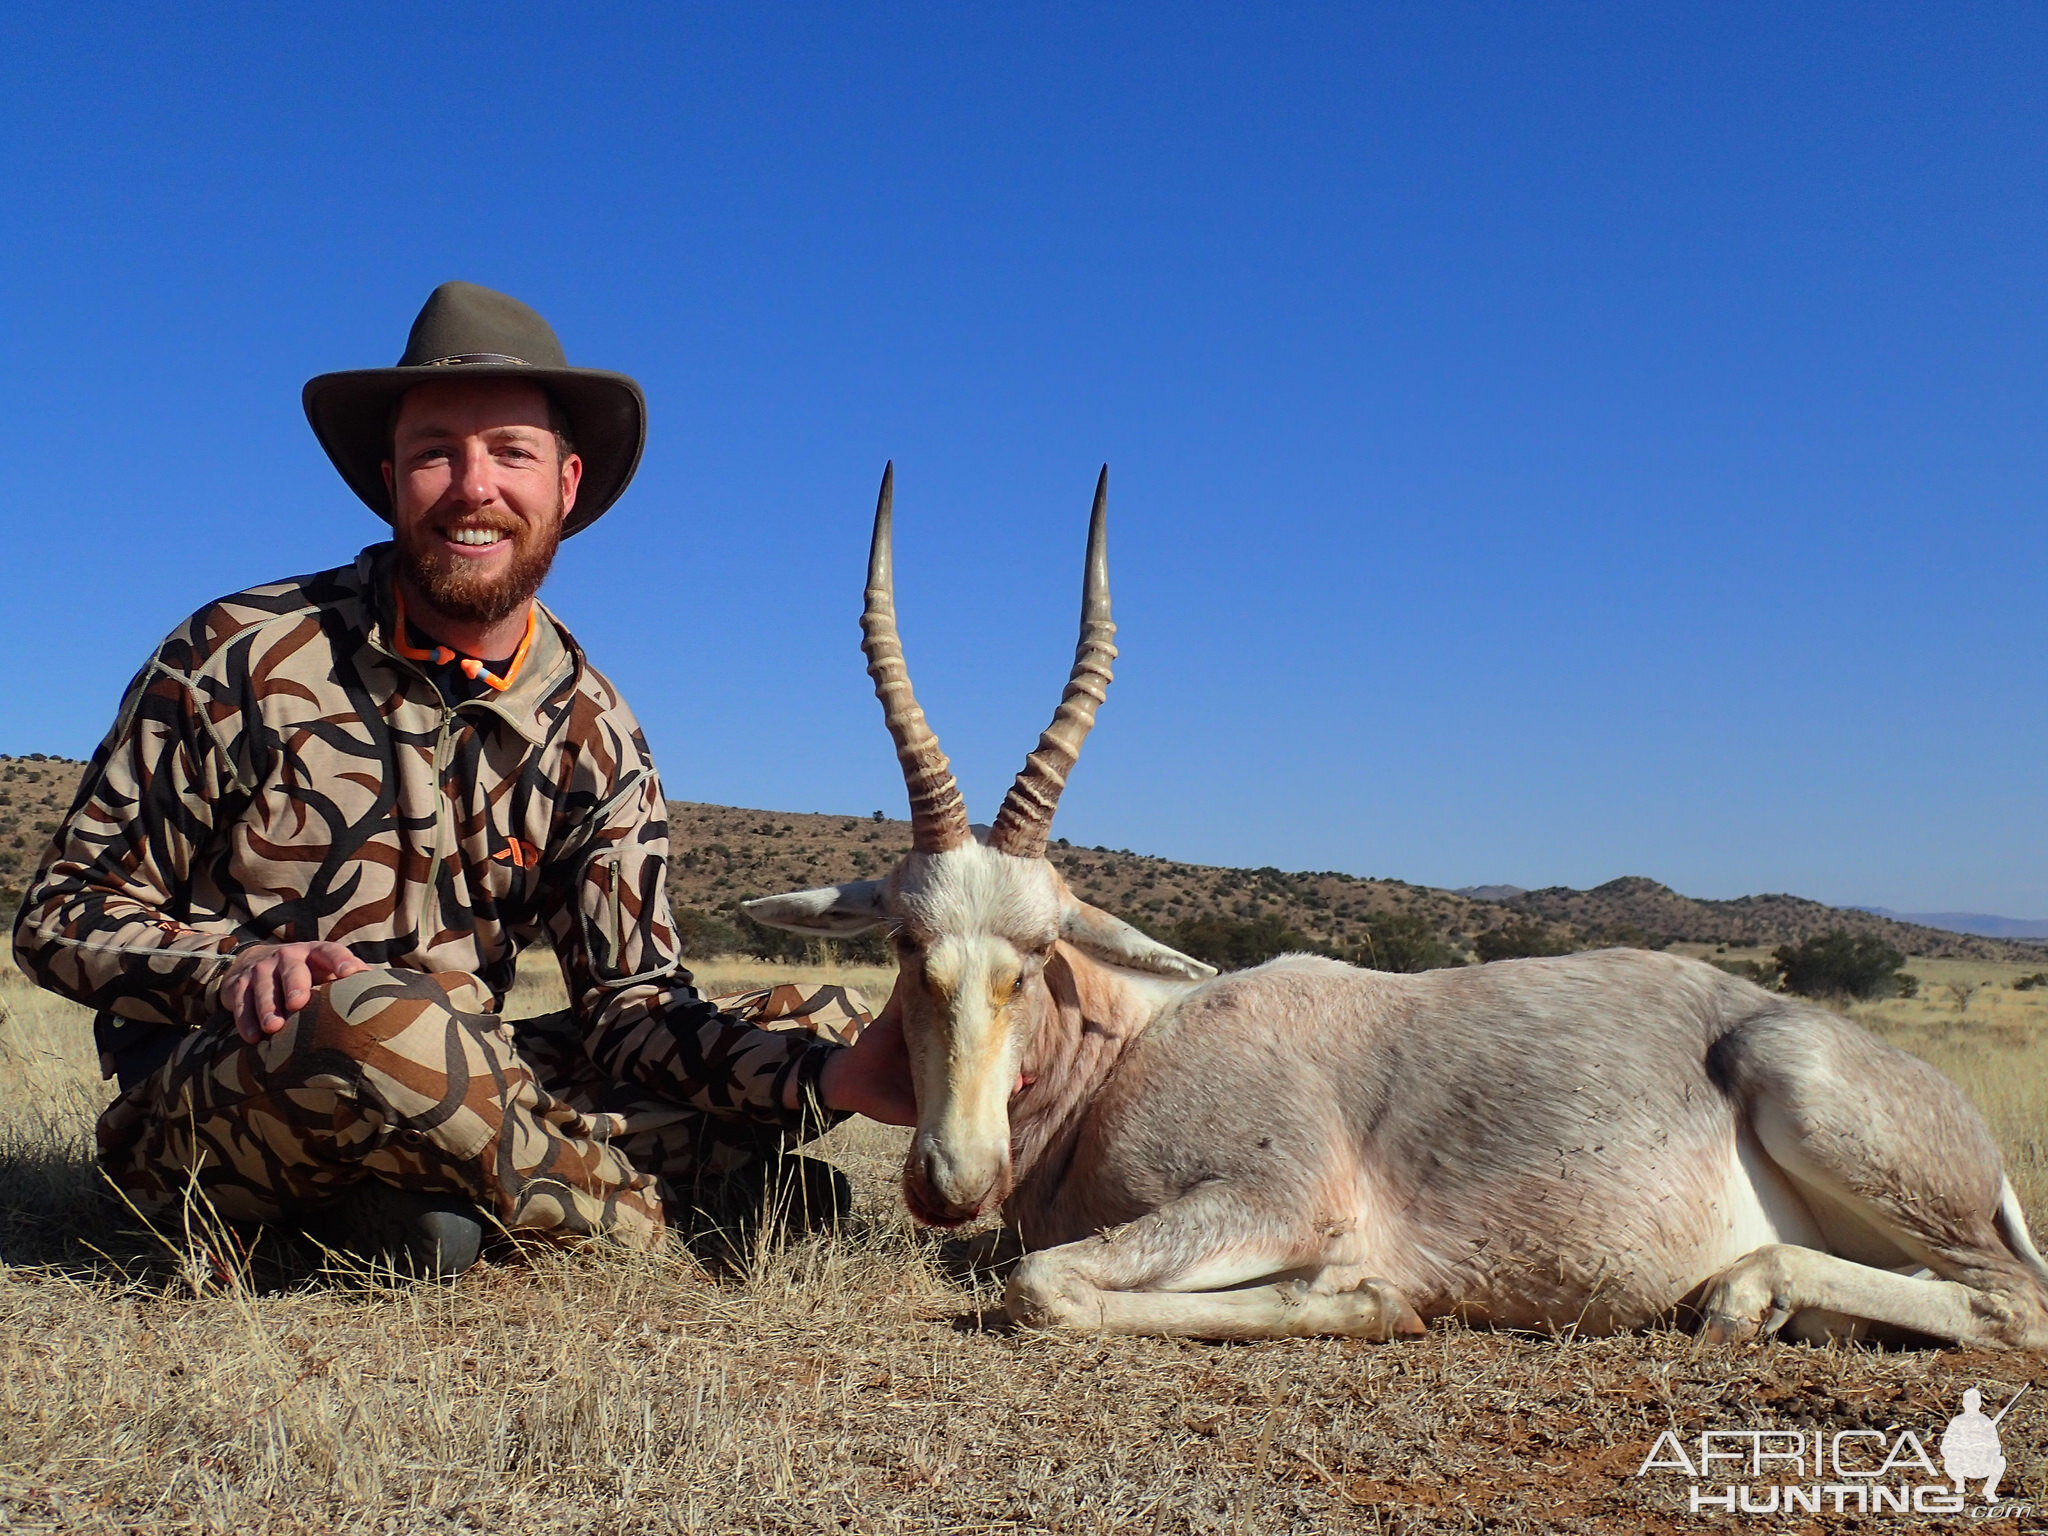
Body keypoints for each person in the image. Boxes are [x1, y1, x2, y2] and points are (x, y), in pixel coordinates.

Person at [11, 281, 915, 1275]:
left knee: (821, 1022)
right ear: (391, 478)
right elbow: (62, 915)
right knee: (374, 1018)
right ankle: (645, 1220)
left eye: (509, 453)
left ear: (565, 486)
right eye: (436, 450)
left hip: (472, 1078)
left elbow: (633, 1005)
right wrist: (229, 971)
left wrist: (833, 1078)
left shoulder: (594, 728)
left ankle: (425, 1210)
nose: (471, 487)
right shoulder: (236, 654)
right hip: (227, 1094)